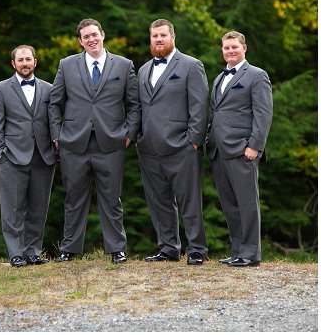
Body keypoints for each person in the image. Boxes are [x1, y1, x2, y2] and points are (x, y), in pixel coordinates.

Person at [48, 18, 140, 264]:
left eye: (94, 35)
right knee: (74, 197)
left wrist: (129, 133)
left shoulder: (123, 65)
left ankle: (117, 249)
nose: (91, 39)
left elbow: (134, 105)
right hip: (73, 143)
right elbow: (55, 103)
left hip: (111, 143)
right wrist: (57, 135)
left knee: (111, 198)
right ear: (80, 41)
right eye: (85, 37)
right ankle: (69, 249)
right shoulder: (66, 65)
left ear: (103, 34)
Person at [134, 19, 208, 265]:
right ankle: (168, 248)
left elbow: (199, 107)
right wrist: (139, 138)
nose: (158, 40)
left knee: (189, 200)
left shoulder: (191, 66)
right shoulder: (143, 70)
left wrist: (193, 141)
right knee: (158, 201)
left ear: (172, 37)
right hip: (149, 149)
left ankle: (196, 249)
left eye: (163, 35)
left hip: (182, 147)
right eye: (154, 36)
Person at [206, 31, 272, 267]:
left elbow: (263, 114)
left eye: (234, 47)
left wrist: (255, 146)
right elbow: (217, 113)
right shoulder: (218, 78)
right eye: (226, 48)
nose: (230, 51)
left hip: (243, 149)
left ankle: (251, 254)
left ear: (244, 48)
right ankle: (238, 251)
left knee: (247, 203)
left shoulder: (256, 75)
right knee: (230, 204)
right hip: (218, 150)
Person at [0, 45, 56, 268]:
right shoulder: (0, 89)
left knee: (38, 208)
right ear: (13, 64)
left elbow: (54, 121)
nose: (25, 63)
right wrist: (0, 153)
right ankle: (15, 253)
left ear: (35, 62)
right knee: (12, 209)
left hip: (43, 157)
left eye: (28, 59)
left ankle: (33, 251)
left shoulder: (48, 89)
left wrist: (55, 148)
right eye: (21, 60)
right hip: (12, 157)